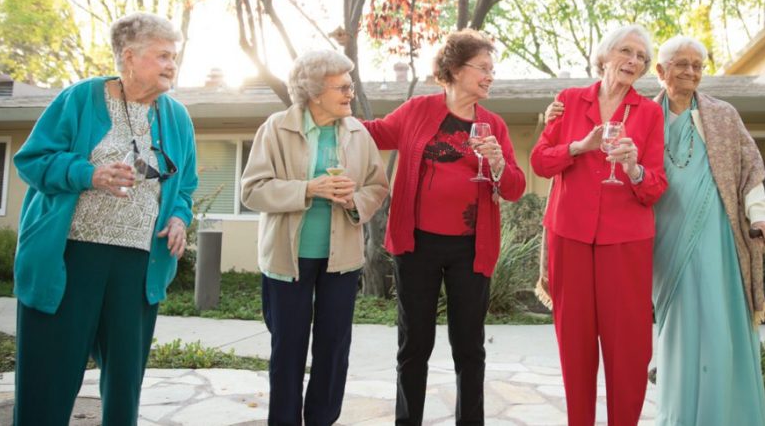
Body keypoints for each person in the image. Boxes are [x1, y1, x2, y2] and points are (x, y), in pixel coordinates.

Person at [12, 12, 198, 426]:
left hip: (138, 263)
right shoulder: (81, 98)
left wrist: (181, 220)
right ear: (129, 57)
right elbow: (32, 161)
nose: (172, 65)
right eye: (163, 55)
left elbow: (184, 187)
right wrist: (88, 174)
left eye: (174, 56)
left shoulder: (177, 118)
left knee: (124, 382)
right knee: (49, 377)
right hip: (70, 257)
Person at [362, 29, 526, 424]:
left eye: (493, 69)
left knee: (468, 347)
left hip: (470, 249)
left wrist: (499, 162)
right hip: (416, 246)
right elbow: (372, 133)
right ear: (454, 69)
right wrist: (329, 112)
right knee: (414, 344)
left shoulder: (493, 125)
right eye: (483, 68)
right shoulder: (418, 111)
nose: (490, 76)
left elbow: (515, 188)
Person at [240, 49, 389, 426]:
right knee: (287, 348)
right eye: (341, 86)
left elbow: (377, 186)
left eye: (350, 85)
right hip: (286, 260)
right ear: (313, 91)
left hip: (341, 260)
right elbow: (253, 190)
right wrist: (308, 189)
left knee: (334, 347)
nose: (349, 93)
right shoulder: (276, 128)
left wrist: (353, 201)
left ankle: (322, 419)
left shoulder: (359, 133)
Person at [531, 24, 667, 426]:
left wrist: (632, 167)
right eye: (626, 51)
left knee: (628, 346)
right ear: (604, 56)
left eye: (641, 57)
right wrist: (579, 147)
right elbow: (541, 161)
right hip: (568, 235)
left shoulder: (651, 113)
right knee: (574, 345)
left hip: (626, 242)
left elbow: (655, 187)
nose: (634, 61)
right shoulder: (568, 101)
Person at [650, 36, 765, 425]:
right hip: (664, 236)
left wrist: (759, 216)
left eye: (697, 65)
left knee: (720, 322)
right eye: (681, 64)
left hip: (719, 232)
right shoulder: (641, 115)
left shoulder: (723, 114)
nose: (691, 72)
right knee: (679, 328)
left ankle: (729, 415)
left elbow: (750, 169)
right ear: (660, 71)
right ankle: (679, 416)